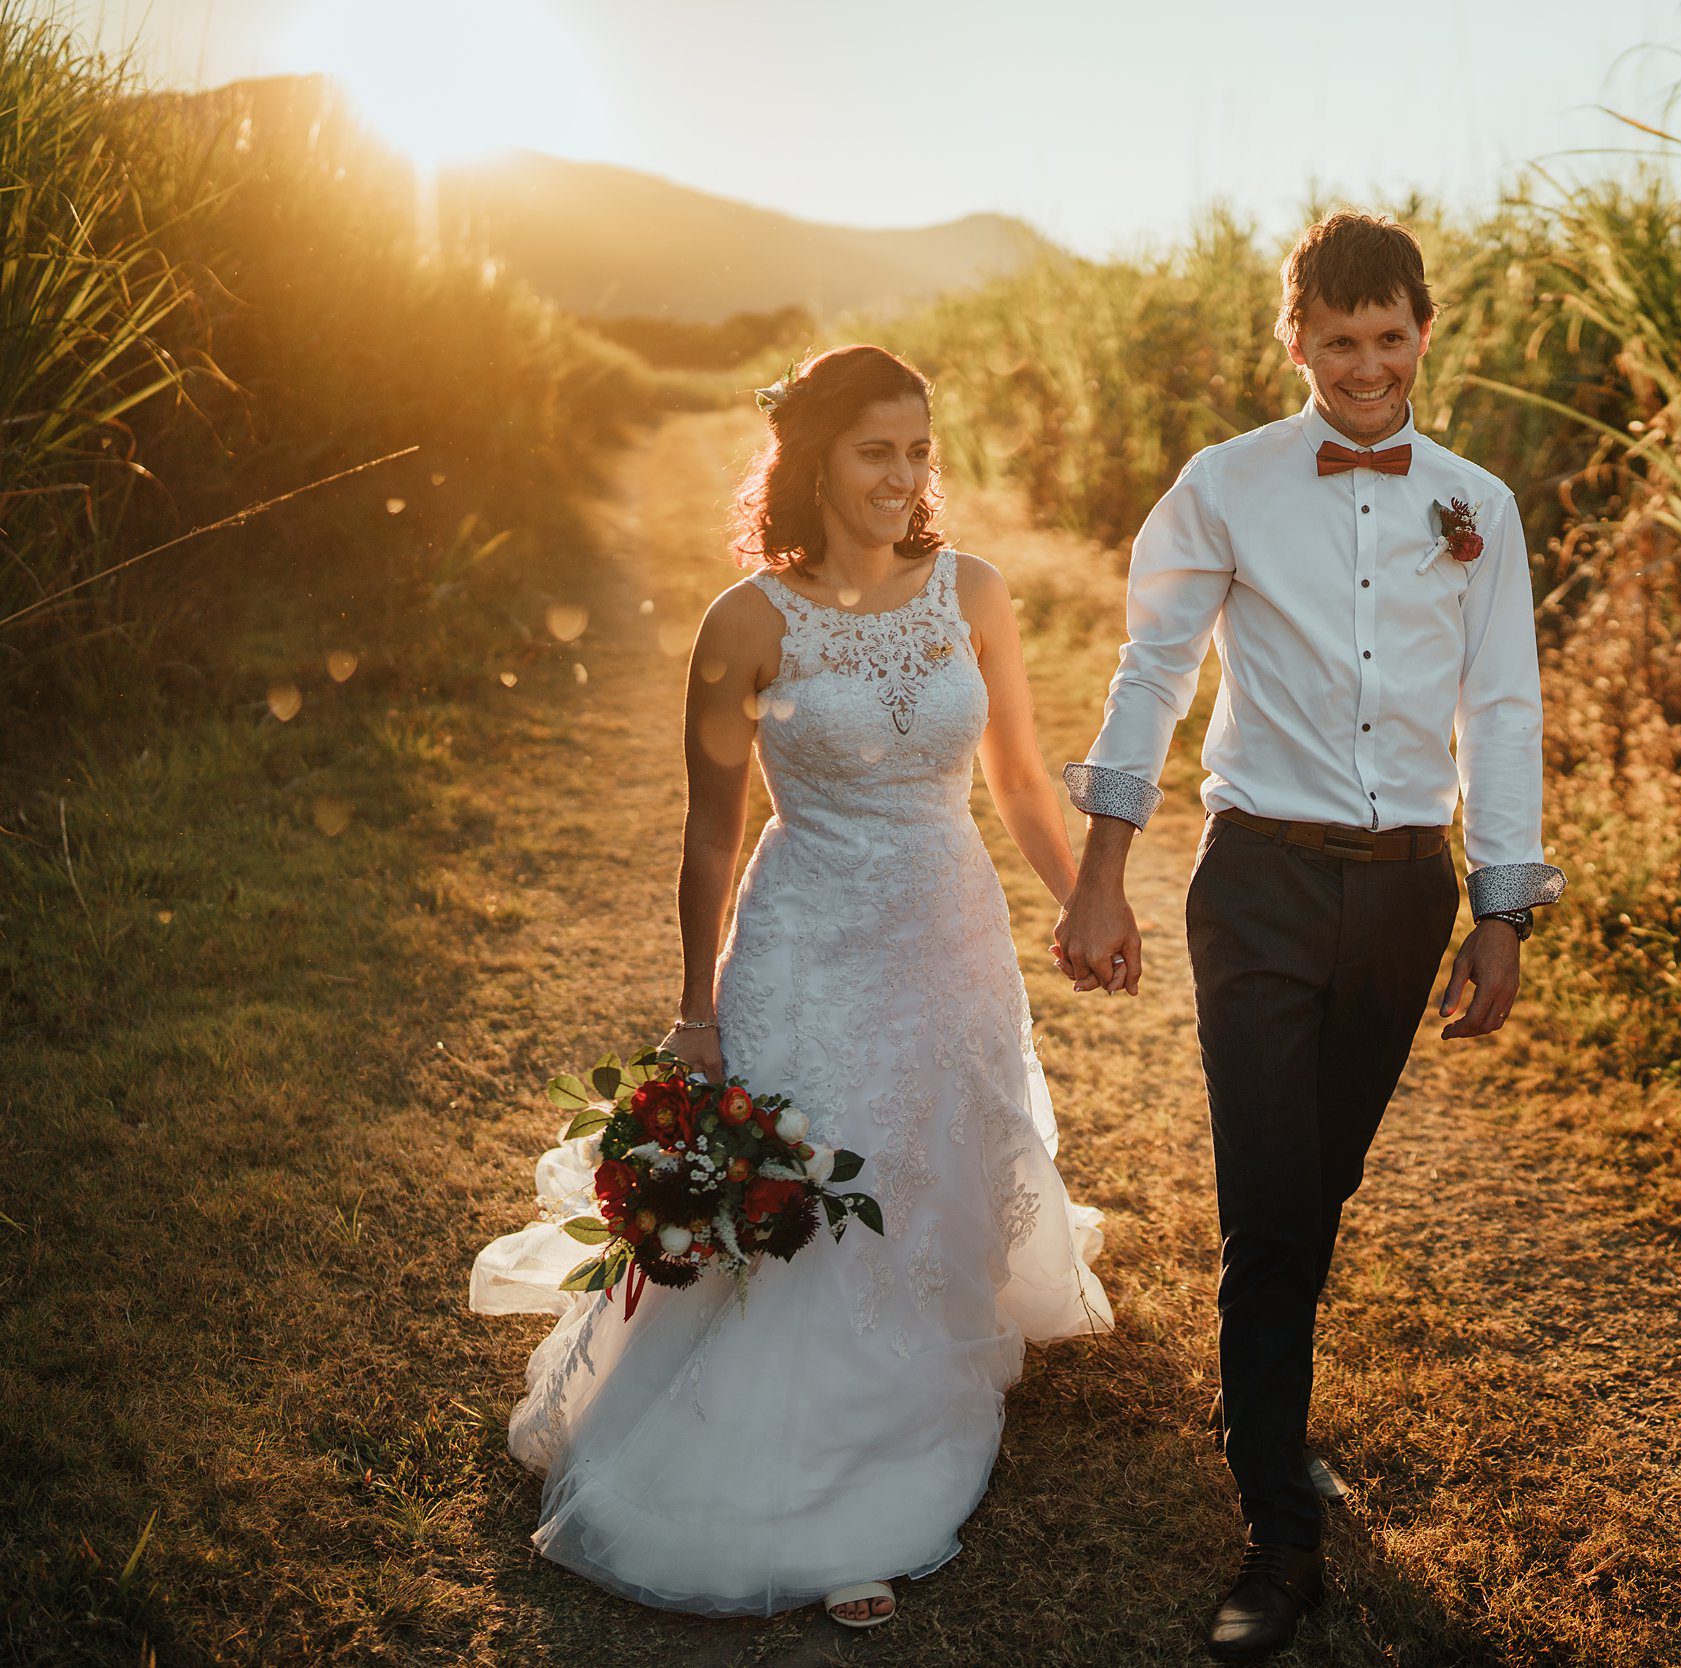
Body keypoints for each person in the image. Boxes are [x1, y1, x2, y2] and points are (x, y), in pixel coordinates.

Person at [468, 344, 1112, 1628]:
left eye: (919, 449)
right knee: (813, 1194)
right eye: (877, 449)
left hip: (949, 936)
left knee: (934, 1159)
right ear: (811, 457)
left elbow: (1023, 783)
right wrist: (697, 1012)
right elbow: (711, 833)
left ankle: (925, 1365)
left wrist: (1083, 896)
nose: (903, 475)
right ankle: (795, 1451)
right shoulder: (746, 622)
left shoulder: (972, 593)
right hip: (807, 942)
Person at [1051, 212, 1564, 1661]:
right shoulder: (1223, 488)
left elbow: (1500, 709)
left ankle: (1256, 1403)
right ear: (1295, 341)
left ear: (1422, 335)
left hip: (1408, 890)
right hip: (1258, 880)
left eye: (1390, 339)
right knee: (1272, 1204)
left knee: (1317, 1185)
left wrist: (1502, 910)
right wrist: (1104, 875)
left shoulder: (1478, 504)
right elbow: (1151, 672)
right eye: (1337, 342)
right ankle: (1280, 1527)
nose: (1366, 368)